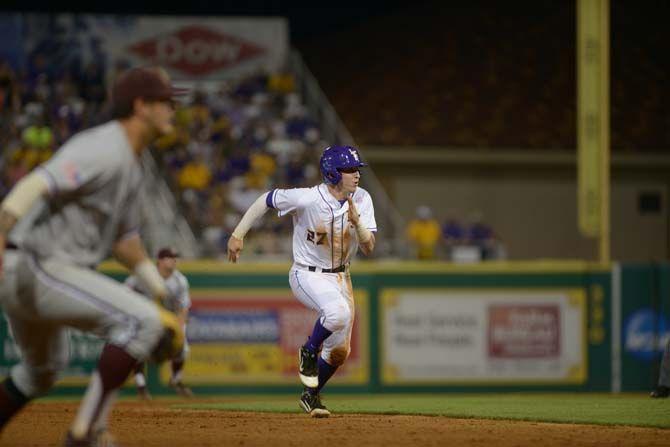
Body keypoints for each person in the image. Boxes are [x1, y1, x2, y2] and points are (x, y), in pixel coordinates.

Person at [0, 66, 185, 446]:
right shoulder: (105, 146)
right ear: (141, 105)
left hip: (38, 270)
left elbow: (124, 243)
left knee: (42, 372)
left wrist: (160, 291)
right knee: (142, 324)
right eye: (165, 102)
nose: (172, 109)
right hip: (35, 263)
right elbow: (36, 183)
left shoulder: (133, 165)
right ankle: (86, 434)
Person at [227, 145, 376, 418]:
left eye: (357, 170)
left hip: (342, 276)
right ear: (332, 172)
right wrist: (238, 234)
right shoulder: (307, 199)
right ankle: (308, 350)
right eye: (350, 170)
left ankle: (310, 396)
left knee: (339, 353)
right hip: (307, 273)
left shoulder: (363, 199)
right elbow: (266, 200)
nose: (356, 175)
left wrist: (359, 224)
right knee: (337, 313)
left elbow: (369, 248)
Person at [125, 247, 193, 399]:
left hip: (169, 319)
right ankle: (141, 386)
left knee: (183, 349)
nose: (174, 260)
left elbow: (184, 306)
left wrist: (180, 327)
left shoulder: (179, 280)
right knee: (138, 349)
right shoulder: (147, 275)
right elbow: (126, 289)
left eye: (175, 257)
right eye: (170, 257)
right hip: (146, 317)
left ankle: (175, 379)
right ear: (160, 261)